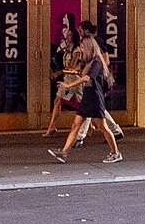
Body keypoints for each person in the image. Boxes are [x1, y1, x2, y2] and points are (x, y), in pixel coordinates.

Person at [49, 28, 121, 165]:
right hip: (88, 97)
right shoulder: (87, 63)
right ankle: (63, 153)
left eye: (82, 47)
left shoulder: (97, 62)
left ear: (89, 47)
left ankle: (115, 153)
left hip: (95, 97)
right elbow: (82, 74)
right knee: (75, 125)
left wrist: (68, 86)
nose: (81, 49)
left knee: (103, 127)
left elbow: (87, 77)